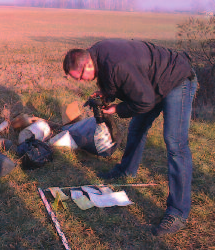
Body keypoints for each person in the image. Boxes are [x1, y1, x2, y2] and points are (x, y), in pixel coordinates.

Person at [63, 38, 198, 236]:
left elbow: (144, 102)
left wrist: (117, 108)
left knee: (175, 143)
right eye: (77, 79)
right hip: (153, 84)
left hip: (177, 79)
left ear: (88, 63)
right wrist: (105, 96)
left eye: (81, 76)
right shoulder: (98, 54)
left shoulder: (116, 65)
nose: (81, 81)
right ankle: (126, 170)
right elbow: (116, 83)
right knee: (137, 128)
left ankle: (178, 212)